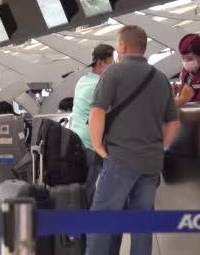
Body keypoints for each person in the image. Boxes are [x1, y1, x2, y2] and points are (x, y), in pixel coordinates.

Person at [86, 25, 180, 255]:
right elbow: (173, 123)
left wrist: (98, 145)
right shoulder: (159, 78)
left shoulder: (113, 73)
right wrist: (160, 146)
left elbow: (97, 112)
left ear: (122, 46)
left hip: (120, 159)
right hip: (150, 164)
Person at [71, 44, 115, 206]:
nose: (114, 67)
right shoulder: (99, 86)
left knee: (87, 189)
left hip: (78, 141)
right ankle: (84, 228)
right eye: (112, 63)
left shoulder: (83, 81)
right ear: (101, 63)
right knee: (87, 190)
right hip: (92, 144)